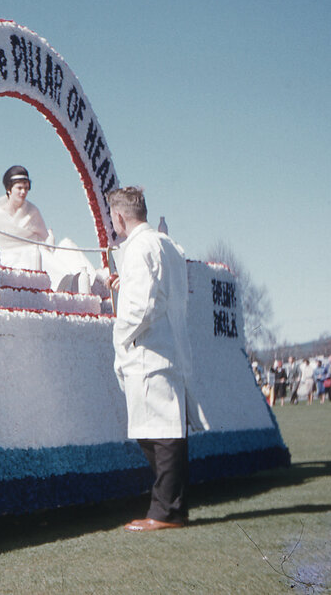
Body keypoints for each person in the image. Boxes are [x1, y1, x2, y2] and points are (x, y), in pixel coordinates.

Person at [107, 186, 206, 532]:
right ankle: (172, 508)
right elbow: (160, 293)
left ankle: (166, 511)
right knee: (165, 430)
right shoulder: (169, 245)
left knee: (160, 433)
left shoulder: (138, 248)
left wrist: (121, 337)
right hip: (170, 344)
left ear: (119, 217)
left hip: (148, 348)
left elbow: (142, 305)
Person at [0, 165, 95, 291]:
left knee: (65, 247)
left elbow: (45, 240)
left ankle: (80, 283)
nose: (23, 192)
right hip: (8, 257)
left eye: (26, 188)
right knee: (32, 255)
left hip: (36, 252)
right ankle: (62, 284)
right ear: (9, 189)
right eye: (19, 188)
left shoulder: (32, 211)